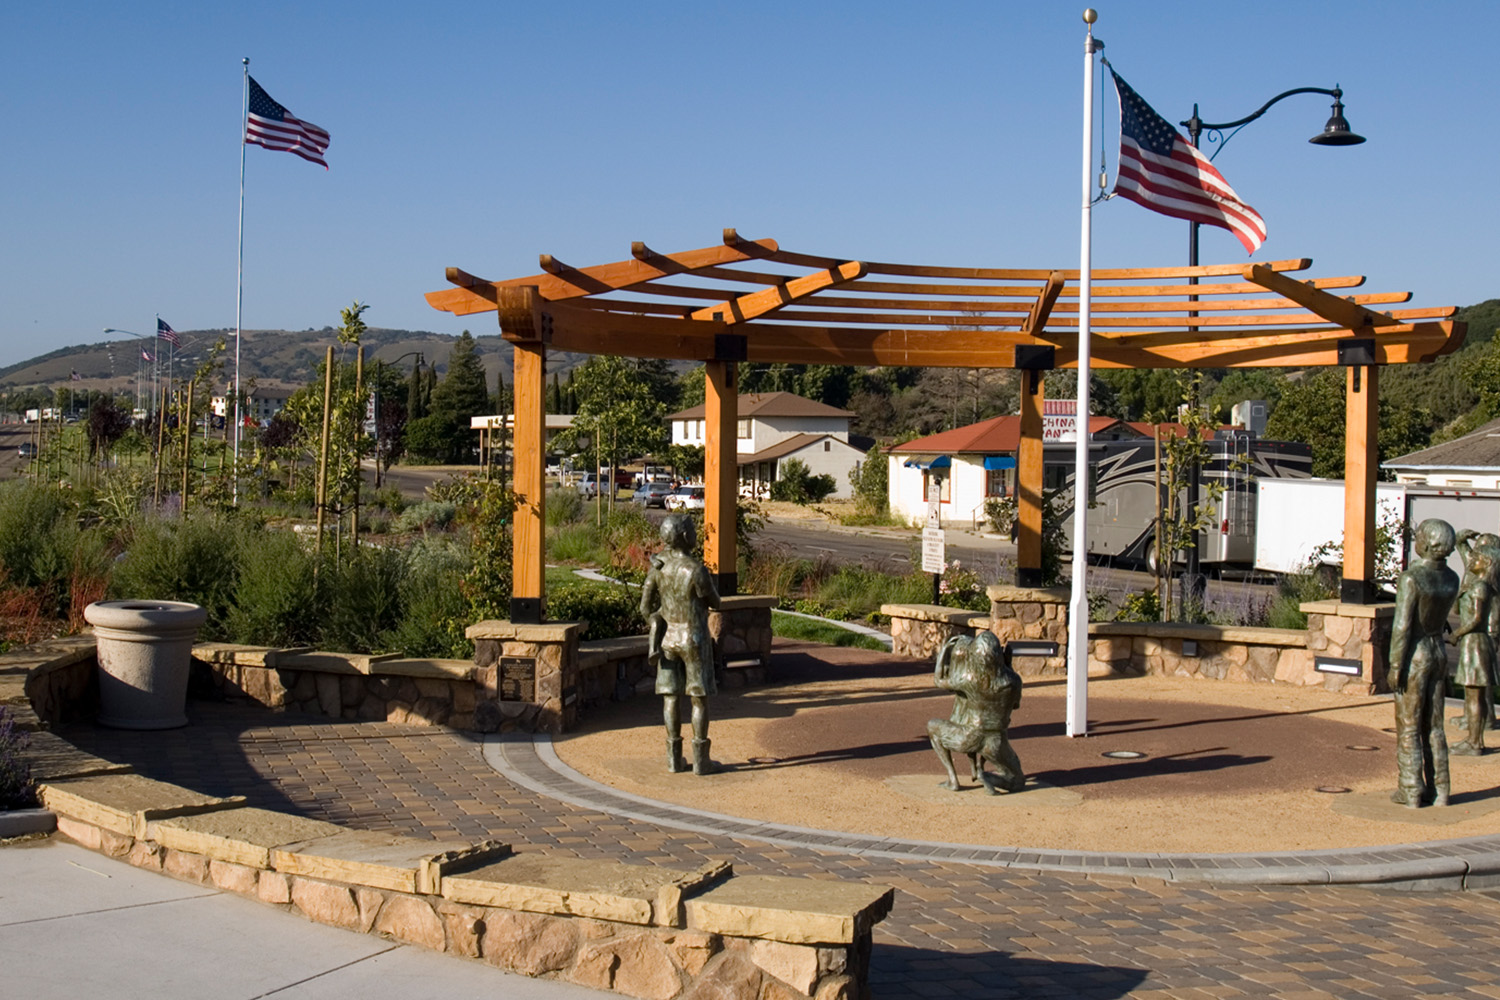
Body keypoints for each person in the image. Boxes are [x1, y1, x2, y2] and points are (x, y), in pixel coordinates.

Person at [640, 514, 721, 775]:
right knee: (698, 698)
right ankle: (701, 761)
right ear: (685, 536)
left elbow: (645, 607)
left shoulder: (658, 568)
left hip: (667, 640)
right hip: (693, 638)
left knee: (670, 697)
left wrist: (656, 621)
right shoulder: (695, 570)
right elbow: (715, 602)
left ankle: (674, 760)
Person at [1388, 518, 1460, 807]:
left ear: (1428, 544)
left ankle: (1411, 788)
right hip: (1438, 652)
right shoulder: (1452, 578)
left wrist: (1395, 665)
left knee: (1409, 723)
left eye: (1418, 537)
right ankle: (1440, 789)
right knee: (1435, 725)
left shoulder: (1411, 578)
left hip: (1416, 653)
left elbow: (1402, 627)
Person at [928, 632, 1025, 795]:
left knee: (932, 727)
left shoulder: (969, 679)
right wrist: (1009, 666)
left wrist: (944, 651)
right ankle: (987, 776)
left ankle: (953, 779)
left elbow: (939, 681)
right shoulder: (1014, 681)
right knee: (1017, 781)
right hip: (996, 742)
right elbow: (1015, 706)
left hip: (969, 736)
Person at [1451, 541, 1496, 756]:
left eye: (1475, 559)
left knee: (1475, 695)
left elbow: (1477, 618)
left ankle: (1475, 741)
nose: (1471, 562)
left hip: (1476, 643)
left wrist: (1456, 634)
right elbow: (1458, 609)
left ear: (1486, 563)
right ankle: (1472, 738)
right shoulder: (1476, 584)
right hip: (1472, 643)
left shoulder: (1481, 587)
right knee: (1471, 695)